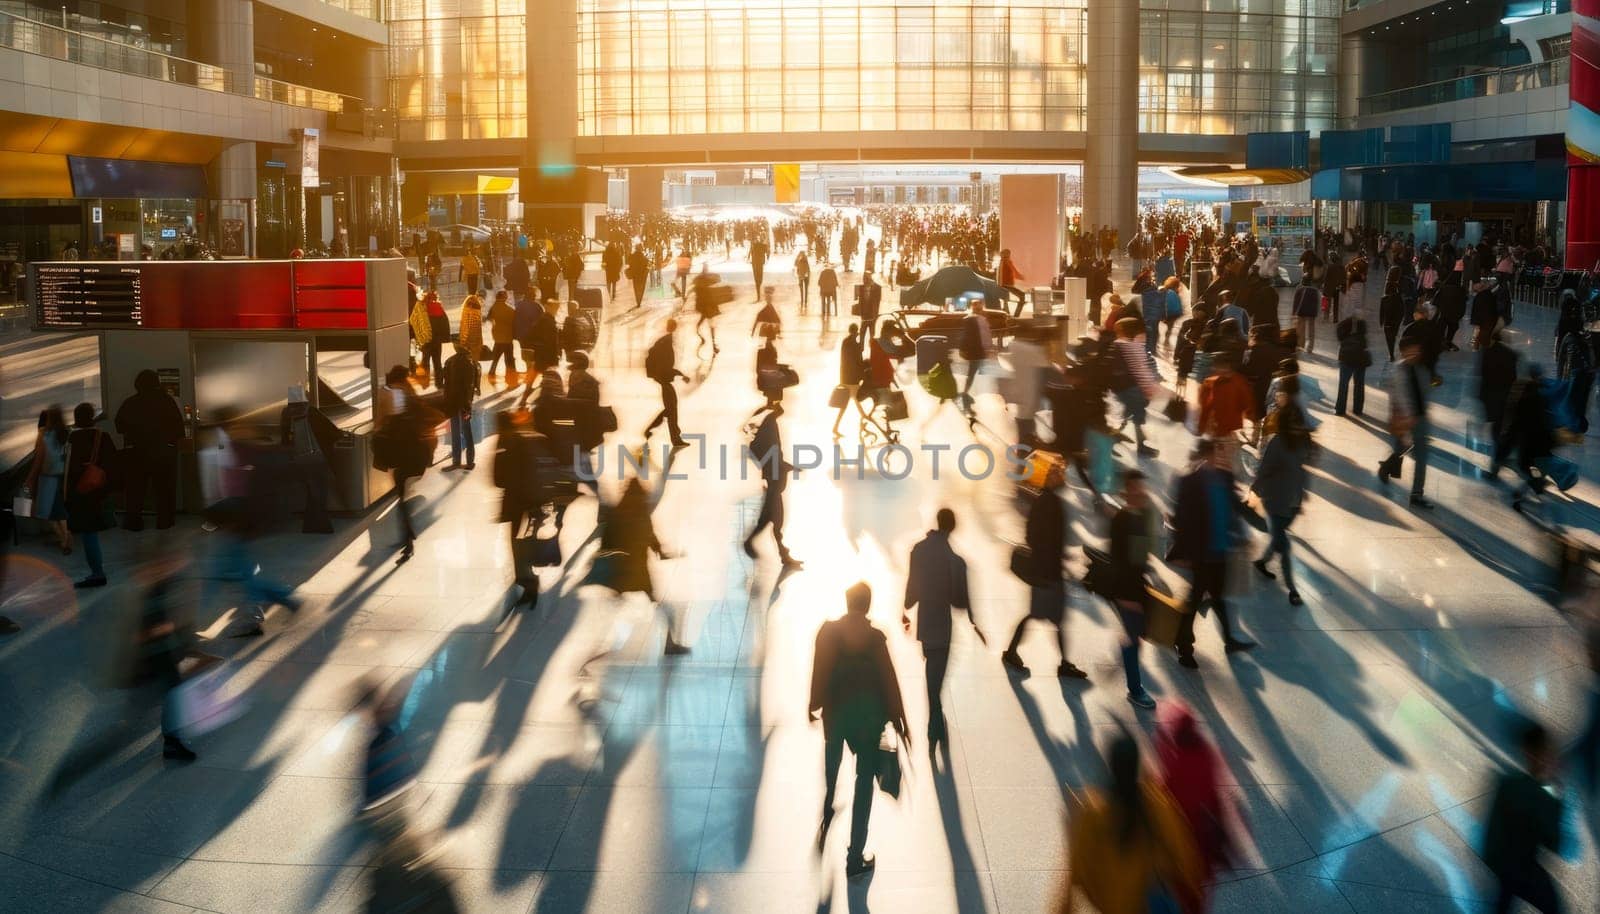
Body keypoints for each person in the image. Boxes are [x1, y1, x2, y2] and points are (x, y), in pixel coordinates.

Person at [810, 581, 908, 878]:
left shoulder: (828, 631)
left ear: (847, 601)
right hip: (866, 720)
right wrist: (898, 715)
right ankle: (855, 859)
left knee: (832, 759)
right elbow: (888, 677)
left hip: (836, 713)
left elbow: (820, 668)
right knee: (864, 781)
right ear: (868, 605)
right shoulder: (875, 638)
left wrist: (812, 702)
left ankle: (828, 803)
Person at [1057, 732, 1203, 914]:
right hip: (1146, 905)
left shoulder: (1094, 811)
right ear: (1136, 766)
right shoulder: (1154, 802)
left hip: (1111, 906)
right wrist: (1194, 890)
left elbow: (1076, 870)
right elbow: (1181, 850)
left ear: (1110, 766)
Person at [1169, 438, 1255, 667]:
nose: (1217, 457)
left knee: (1215, 596)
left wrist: (1244, 532)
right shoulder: (1189, 482)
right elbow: (1181, 519)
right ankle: (1184, 645)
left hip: (1221, 550)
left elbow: (1234, 508)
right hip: (1202, 552)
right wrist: (1185, 552)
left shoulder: (1225, 478)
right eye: (1214, 453)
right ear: (1204, 455)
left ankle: (1227, 640)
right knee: (1196, 598)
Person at [1002, 457, 1089, 679]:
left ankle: (1060, 662)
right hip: (1047, 573)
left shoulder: (1045, 501)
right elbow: (1040, 537)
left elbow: (1034, 536)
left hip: (1046, 571)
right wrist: (1052, 555)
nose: (1061, 477)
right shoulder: (1049, 503)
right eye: (1056, 475)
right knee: (1045, 616)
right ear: (1049, 479)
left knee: (1051, 618)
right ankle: (1014, 652)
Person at [902, 508, 975, 748]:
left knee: (931, 669)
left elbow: (912, 586)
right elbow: (959, 602)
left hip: (925, 622)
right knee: (936, 675)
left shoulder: (920, 550)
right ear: (952, 527)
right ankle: (934, 722)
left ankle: (935, 718)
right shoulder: (953, 560)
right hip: (942, 624)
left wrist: (905, 608)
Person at [1154, 704, 1237, 905]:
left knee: (1175, 890)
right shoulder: (1207, 754)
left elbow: (1162, 796)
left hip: (1178, 840)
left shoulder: (1173, 760)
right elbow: (1217, 797)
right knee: (1195, 896)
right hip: (1202, 842)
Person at [1481, 720, 1565, 914]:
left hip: (1503, 865)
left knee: (1503, 903)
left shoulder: (1507, 783)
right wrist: (1556, 795)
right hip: (1527, 871)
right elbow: (1553, 842)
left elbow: (1492, 829)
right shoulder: (1545, 795)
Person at [598, 478, 689, 655]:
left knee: (625, 611)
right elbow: (654, 542)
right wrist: (670, 555)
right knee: (661, 608)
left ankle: (608, 647)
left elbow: (606, 543)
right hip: (638, 574)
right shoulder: (641, 515)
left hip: (620, 573)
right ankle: (669, 644)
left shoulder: (616, 515)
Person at [1251, 391, 1312, 606]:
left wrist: (1303, 491)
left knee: (1278, 537)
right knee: (1284, 547)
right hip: (1275, 501)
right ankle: (1292, 589)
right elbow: (1265, 469)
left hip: (1293, 503)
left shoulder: (1303, 443)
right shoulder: (1277, 443)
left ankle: (1261, 562)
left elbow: (1301, 470)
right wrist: (1255, 489)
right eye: (1295, 422)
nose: (1299, 426)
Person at [1107, 470, 1160, 709]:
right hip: (1127, 590)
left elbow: (1143, 555)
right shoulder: (1121, 521)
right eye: (1135, 488)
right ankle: (1135, 690)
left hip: (1138, 586)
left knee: (1136, 636)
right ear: (1126, 491)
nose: (1141, 492)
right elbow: (1119, 562)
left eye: (1142, 487)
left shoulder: (1143, 515)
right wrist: (1127, 597)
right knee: (1134, 639)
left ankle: (1126, 652)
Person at [115, 369, 184, 531]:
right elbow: (178, 428)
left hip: (137, 453)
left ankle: (134, 522)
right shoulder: (168, 401)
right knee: (164, 490)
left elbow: (119, 426)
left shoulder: (130, 402)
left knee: (135, 490)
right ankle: (164, 521)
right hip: (163, 453)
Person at [742, 403, 802, 569]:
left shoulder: (769, 426)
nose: (782, 408)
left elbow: (773, 456)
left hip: (773, 482)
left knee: (769, 520)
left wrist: (789, 467)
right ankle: (783, 555)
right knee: (775, 520)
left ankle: (776, 552)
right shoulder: (770, 427)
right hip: (774, 484)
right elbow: (775, 457)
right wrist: (789, 467)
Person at [66, 402, 117, 588]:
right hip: (98, 491)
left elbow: (68, 470)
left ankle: (97, 572)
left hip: (81, 493)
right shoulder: (102, 437)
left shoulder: (72, 439)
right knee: (91, 533)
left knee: (88, 533)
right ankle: (97, 571)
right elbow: (112, 464)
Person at [1380, 336, 1434, 509]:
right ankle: (1386, 467)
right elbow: (1397, 397)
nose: (1414, 353)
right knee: (1401, 449)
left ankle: (1417, 494)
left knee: (1422, 456)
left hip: (1420, 418)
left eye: (1416, 350)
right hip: (1405, 418)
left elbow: (1425, 394)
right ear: (1403, 351)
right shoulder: (1397, 371)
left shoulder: (1421, 369)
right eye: (1411, 350)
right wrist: (1405, 418)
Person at [1110, 318, 1162, 458]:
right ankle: (1138, 445)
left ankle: (1116, 438)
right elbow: (1141, 369)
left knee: (1129, 415)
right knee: (1135, 417)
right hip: (1131, 389)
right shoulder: (1131, 346)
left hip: (1123, 389)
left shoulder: (1117, 345)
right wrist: (1149, 388)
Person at [24, 406, 72, 554]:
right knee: (59, 510)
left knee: (46, 512)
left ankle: (64, 539)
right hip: (61, 476)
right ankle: (65, 537)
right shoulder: (66, 434)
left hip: (47, 477)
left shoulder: (44, 434)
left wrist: (30, 478)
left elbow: (39, 459)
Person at [644, 319, 689, 448]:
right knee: (671, 409)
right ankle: (674, 438)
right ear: (673, 328)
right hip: (664, 380)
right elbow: (665, 367)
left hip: (664, 380)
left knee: (669, 409)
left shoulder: (664, 342)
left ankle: (651, 431)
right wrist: (680, 374)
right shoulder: (666, 343)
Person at [441, 341, 480, 470]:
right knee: (467, 431)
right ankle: (469, 461)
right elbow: (471, 387)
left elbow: (446, 384)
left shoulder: (450, 361)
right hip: (464, 403)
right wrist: (468, 405)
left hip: (453, 402)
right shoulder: (472, 363)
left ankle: (456, 461)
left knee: (456, 432)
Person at [831, 324, 868, 438]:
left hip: (845, 377)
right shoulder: (854, 345)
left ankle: (836, 427)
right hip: (853, 378)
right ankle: (864, 421)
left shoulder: (845, 342)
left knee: (848, 404)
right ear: (856, 332)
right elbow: (858, 361)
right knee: (855, 401)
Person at [1335, 311, 1371, 416]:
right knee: (1359, 384)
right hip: (1360, 357)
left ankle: (1340, 409)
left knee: (1343, 384)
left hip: (1346, 357)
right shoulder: (1362, 324)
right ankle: (1358, 409)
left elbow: (1339, 337)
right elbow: (1364, 338)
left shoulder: (1342, 325)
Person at [958, 298, 994, 403]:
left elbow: (963, 336)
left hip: (972, 350)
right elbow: (986, 336)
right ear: (980, 308)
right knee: (972, 372)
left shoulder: (967, 319)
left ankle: (965, 393)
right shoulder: (981, 320)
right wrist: (989, 348)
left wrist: (962, 348)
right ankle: (965, 394)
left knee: (972, 372)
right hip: (977, 351)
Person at [485, 289, 518, 379]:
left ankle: (492, 371)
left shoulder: (493, 308)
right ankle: (511, 374)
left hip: (497, 336)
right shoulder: (510, 310)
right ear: (505, 298)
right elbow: (514, 322)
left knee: (496, 356)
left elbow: (488, 318)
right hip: (507, 336)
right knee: (509, 357)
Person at [691, 264, 723, 355]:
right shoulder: (706, 281)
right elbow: (708, 297)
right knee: (710, 326)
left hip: (703, 307)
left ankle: (706, 342)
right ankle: (712, 345)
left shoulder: (699, 281)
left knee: (704, 324)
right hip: (707, 308)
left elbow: (698, 296)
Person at [420, 291, 450, 384]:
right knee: (437, 362)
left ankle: (425, 382)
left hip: (426, 341)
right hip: (437, 341)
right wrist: (446, 338)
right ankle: (439, 382)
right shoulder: (439, 309)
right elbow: (445, 324)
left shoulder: (423, 310)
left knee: (425, 361)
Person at [1292, 272, 1321, 352]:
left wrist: (1294, 312)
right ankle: (1310, 347)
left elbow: (1296, 302)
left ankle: (1301, 345)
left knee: (1301, 329)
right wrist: (1318, 313)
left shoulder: (1299, 289)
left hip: (1301, 311)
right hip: (1312, 312)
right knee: (1311, 330)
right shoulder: (1315, 290)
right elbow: (1318, 302)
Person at [626, 243, 650, 308]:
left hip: (635, 275)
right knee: (641, 288)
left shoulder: (633, 256)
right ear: (641, 249)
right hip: (642, 275)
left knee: (636, 288)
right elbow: (647, 263)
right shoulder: (643, 257)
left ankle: (638, 301)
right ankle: (639, 301)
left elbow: (628, 262)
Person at [749, 232, 769, 300]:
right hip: (757, 263)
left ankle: (758, 292)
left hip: (756, 263)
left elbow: (751, 252)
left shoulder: (756, 245)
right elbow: (767, 252)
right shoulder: (761, 245)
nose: (757, 239)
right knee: (758, 279)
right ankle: (758, 293)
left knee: (758, 279)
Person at [794, 249, 812, 313]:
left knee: (802, 290)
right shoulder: (805, 261)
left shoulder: (799, 261)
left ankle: (802, 301)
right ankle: (805, 301)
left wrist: (798, 257)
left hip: (801, 278)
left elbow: (795, 264)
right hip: (805, 277)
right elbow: (808, 270)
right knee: (806, 290)